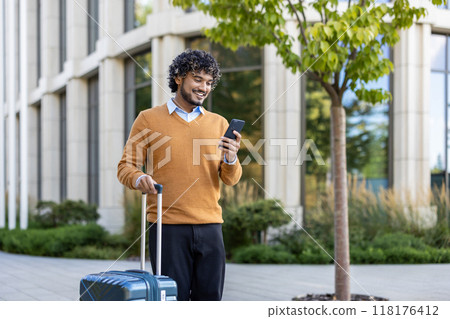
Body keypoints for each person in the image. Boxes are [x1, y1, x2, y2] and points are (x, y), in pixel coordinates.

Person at [117, 49, 242, 301]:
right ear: (179, 78)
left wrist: (231, 157)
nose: (204, 87)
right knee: (172, 301)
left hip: (210, 226)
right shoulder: (148, 119)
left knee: (209, 301)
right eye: (197, 79)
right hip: (168, 228)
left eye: (209, 83)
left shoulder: (218, 123)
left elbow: (230, 178)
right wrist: (140, 179)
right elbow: (125, 167)